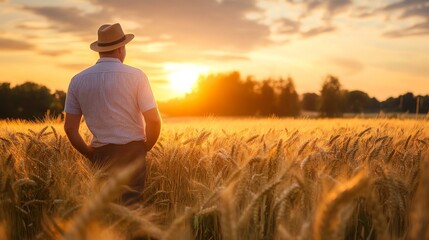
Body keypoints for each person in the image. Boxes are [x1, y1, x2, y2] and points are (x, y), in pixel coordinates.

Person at [63, 23, 161, 205]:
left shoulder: (77, 80)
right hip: (133, 151)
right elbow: (154, 120)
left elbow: (70, 128)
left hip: (101, 154)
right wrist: (145, 147)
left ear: (100, 50)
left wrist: (90, 154)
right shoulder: (137, 76)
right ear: (121, 48)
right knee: (132, 207)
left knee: (105, 209)